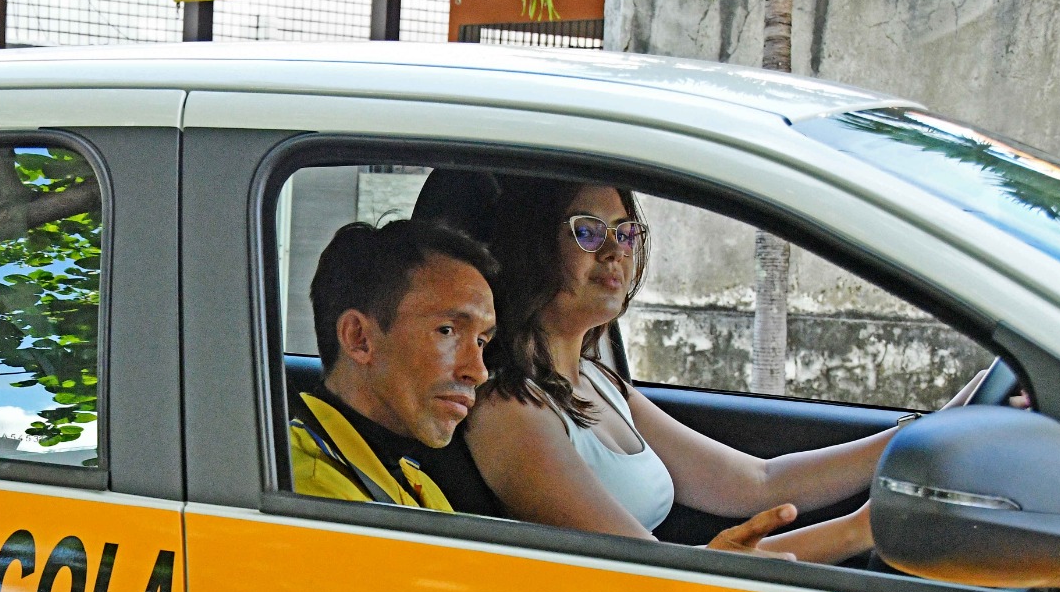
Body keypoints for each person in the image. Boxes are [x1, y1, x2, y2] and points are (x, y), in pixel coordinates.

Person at [465, 179, 980, 561]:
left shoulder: (598, 382)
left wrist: (930, 434)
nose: (613, 251)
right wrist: (859, 531)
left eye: (625, 233)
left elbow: (758, 481)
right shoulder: (510, 412)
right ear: (530, 245)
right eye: (587, 231)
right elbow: (655, 575)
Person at [290, 220, 502, 513]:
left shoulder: (411, 480)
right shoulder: (314, 496)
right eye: (447, 331)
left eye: (481, 341)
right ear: (359, 338)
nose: (478, 372)